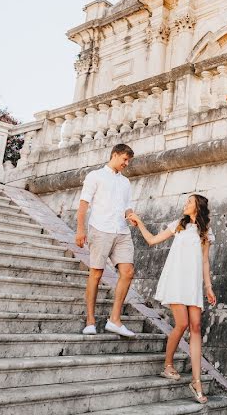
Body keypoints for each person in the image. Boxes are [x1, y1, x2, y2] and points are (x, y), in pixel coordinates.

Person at [129, 194, 217, 405]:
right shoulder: (178, 225)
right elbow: (152, 240)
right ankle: (168, 365)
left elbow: (205, 262)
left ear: (198, 206)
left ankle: (197, 382)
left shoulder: (205, 232)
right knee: (183, 323)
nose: (185, 204)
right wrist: (140, 222)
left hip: (193, 284)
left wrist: (208, 287)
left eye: (189, 202)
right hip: (177, 281)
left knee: (196, 327)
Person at [74, 144, 137, 337]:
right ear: (115, 155)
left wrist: (131, 215)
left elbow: (127, 206)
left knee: (128, 272)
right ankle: (90, 321)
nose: (126, 164)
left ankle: (114, 320)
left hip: (122, 231)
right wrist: (80, 230)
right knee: (96, 274)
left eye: (128, 161)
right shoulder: (95, 176)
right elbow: (84, 204)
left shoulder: (125, 182)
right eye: (124, 159)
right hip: (100, 229)